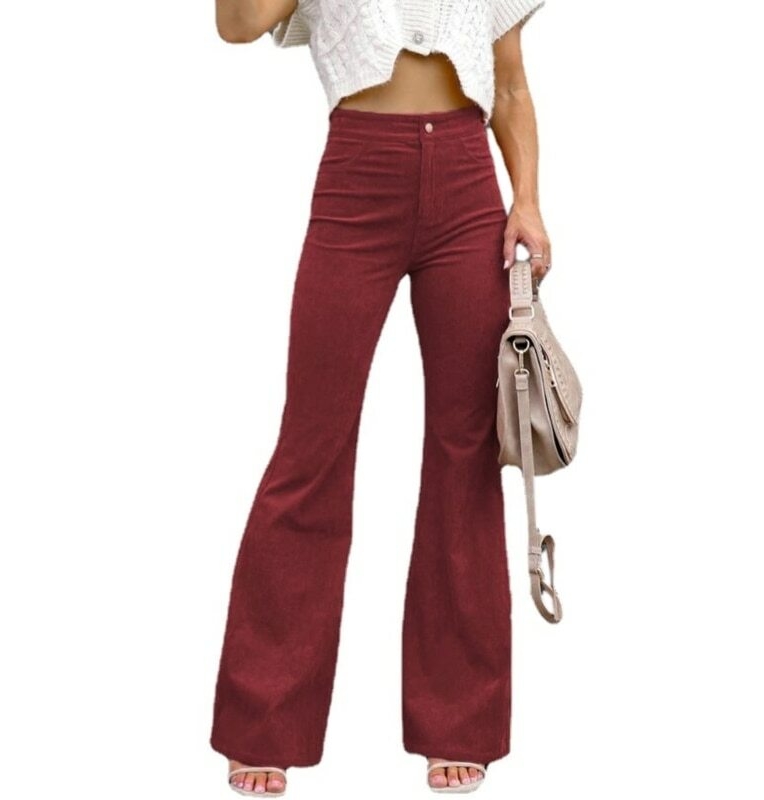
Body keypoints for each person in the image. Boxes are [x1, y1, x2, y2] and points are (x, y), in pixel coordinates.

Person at [210, 0, 551, 795]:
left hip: (468, 181)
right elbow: (237, 24)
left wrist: (527, 201)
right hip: (357, 176)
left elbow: (508, 85)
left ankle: (459, 724)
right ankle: (264, 722)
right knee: (311, 447)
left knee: (466, 452)